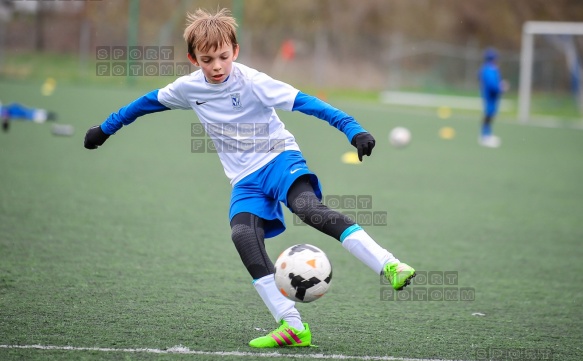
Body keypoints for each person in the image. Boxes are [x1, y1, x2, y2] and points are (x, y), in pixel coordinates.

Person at [84, 8, 416, 348]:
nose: (216, 66)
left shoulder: (254, 82)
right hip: (244, 180)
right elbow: (144, 103)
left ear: (236, 52)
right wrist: (105, 129)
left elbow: (308, 103)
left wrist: (352, 128)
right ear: (193, 59)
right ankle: (292, 326)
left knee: (308, 208)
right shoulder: (187, 88)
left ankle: (389, 265)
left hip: (279, 158)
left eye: (224, 57)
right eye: (207, 58)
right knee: (243, 236)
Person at [478, 47, 508, 148]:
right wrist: (501, 88)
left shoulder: (490, 69)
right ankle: (485, 136)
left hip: (492, 96)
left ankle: (487, 135)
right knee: (489, 114)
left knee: (491, 114)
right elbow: (492, 85)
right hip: (490, 96)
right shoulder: (488, 69)